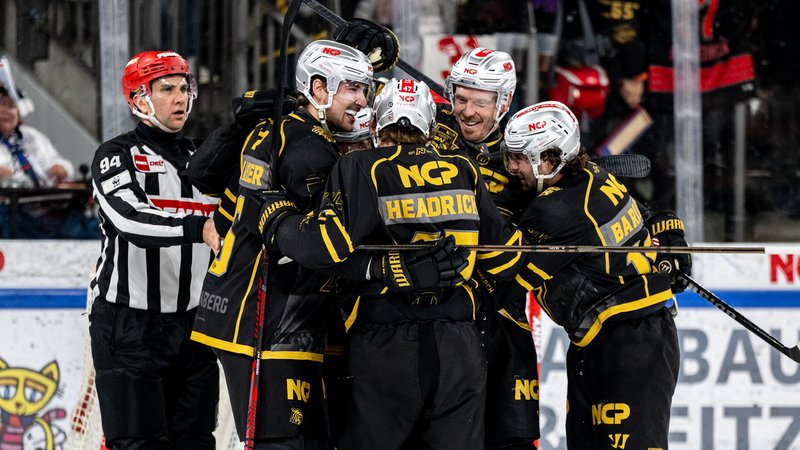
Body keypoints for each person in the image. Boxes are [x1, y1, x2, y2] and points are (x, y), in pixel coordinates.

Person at [249, 77, 526, 449]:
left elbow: (326, 247)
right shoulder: (463, 168)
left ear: (377, 124)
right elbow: (505, 258)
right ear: (431, 127)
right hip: (460, 344)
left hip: (386, 342)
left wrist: (278, 219)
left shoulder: (362, 165)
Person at [189, 40, 374, 449]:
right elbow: (327, 243)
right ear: (319, 88)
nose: (362, 101)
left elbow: (212, 184)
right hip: (266, 321)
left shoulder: (278, 128)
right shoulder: (308, 147)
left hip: (250, 311)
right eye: (353, 88)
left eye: (365, 89)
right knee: (284, 442)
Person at [501, 100, 688, 449]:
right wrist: (670, 227)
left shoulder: (555, 210)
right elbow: (650, 216)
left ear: (550, 160)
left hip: (628, 344)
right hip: (607, 339)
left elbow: (504, 280)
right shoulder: (593, 177)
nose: (511, 167)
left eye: (519, 158)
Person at [88, 50, 221, 450]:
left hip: (194, 324)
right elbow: (129, 219)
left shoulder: (206, 158)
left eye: (184, 88)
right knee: (139, 443)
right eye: (166, 89)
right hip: (129, 323)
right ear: (138, 99)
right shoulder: (115, 154)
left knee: (195, 442)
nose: (180, 98)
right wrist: (198, 227)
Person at [438, 47, 540, 449]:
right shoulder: (432, 130)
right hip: (441, 317)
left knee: (509, 440)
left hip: (502, 319)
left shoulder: (526, 151)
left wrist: (660, 222)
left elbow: (587, 184)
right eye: (461, 98)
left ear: (504, 102)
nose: (467, 112)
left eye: (479, 102)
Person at [0, 86, 96, 238]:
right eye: (1, 104)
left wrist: (60, 168)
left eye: (11, 106)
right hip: (13, 212)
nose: (5, 111)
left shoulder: (32, 136)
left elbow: (59, 161)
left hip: (51, 205)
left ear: (18, 112)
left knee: (91, 227)